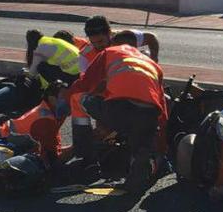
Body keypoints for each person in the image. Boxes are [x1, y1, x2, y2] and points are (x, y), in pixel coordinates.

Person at [67, 31, 166, 193]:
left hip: (120, 112)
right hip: (149, 116)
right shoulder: (152, 65)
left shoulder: (109, 52)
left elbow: (86, 84)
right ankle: (135, 181)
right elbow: (162, 109)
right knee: (140, 146)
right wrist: (160, 145)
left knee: (78, 97)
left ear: (114, 44)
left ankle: (85, 153)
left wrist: (67, 93)